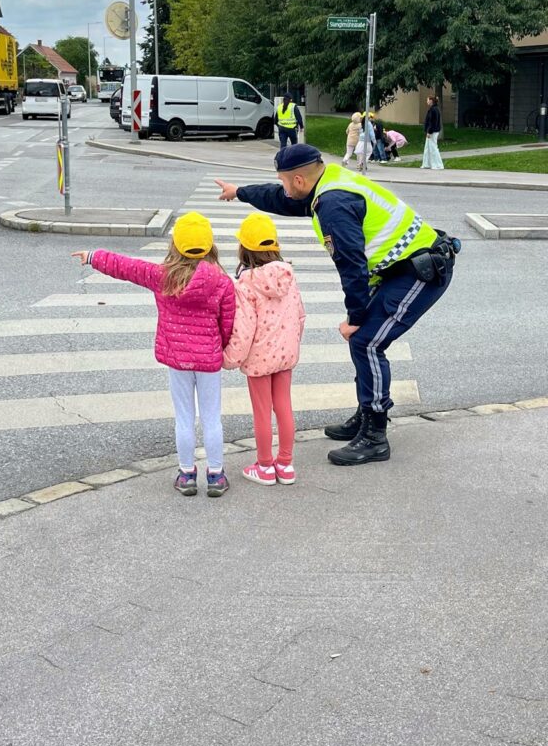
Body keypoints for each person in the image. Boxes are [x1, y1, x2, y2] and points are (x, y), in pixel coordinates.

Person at [215, 144, 458, 469]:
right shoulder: (327, 181)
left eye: (285, 182)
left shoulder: (333, 204)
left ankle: (374, 435)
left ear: (299, 180)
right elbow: (280, 199)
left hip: (420, 271)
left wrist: (355, 318)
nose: (285, 188)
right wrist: (240, 192)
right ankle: (365, 413)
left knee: (367, 341)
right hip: (399, 268)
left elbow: (352, 266)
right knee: (363, 342)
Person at [71, 212, 235, 498]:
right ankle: (216, 475)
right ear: (210, 246)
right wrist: (219, 345)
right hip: (209, 360)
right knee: (211, 418)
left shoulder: (162, 277)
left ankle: (186, 474)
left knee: (183, 417)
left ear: (175, 246)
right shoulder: (221, 282)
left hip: (177, 359)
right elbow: (228, 321)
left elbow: (127, 267)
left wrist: (94, 256)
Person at [223, 214, 305, 486]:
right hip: (285, 355)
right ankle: (286, 463)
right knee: (284, 407)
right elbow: (299, 315)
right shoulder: (288, 275)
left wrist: (230, 358)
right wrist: (292, 345)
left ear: (244, 248)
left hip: (259, 358)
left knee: (261, 411)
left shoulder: (246, 283)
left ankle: (265, 466)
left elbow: (244, 328)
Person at [422, 95, 444, 169]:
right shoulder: (434, 109)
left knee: (433, 148)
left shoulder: (433, 110)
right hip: (433, 131)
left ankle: (437, 165)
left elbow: (432, 122)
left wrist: (429, 131)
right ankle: (427, 164)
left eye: (428, 100)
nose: (427, 101)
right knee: (428, 148)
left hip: (432, 131)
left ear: (431, 101)